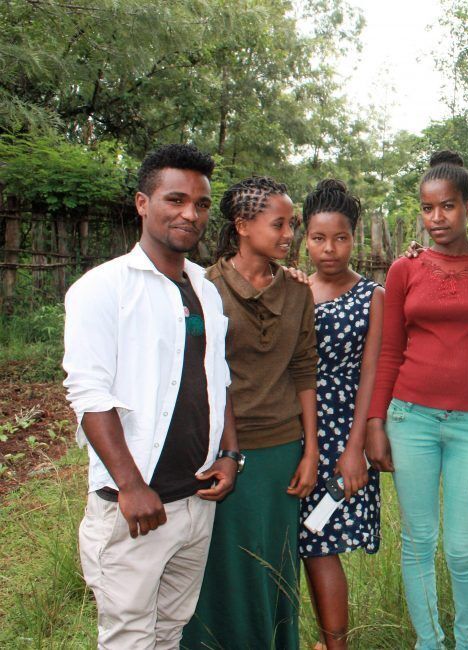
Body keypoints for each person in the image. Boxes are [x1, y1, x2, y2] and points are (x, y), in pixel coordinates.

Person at [64, 143, 238, 649]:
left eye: (201, 204)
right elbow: (89, 395)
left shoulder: (204, 287)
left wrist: (229, 453)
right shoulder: (102, 289)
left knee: (170, 632)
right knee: (129, 638)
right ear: (143, 203)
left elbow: (218, 377)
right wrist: (131, 485)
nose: (190, 214)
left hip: (195, 501)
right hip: (136, 506)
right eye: (175, 199)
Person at [366, 150, 468, 650]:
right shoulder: (404, 270)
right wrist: (375, 423)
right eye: (428, 209)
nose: (436, 219)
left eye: (447, 207)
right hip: (411, 420)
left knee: (461, 548)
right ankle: (428, 642)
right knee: (416, 542)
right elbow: (390, 351)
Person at [182, 176, 319, 650]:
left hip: (282, 452)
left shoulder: (299, 292)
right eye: (278, 224)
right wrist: (221, 446)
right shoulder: (203, 288)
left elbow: (304, 371)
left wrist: (311, 452)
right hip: (222, 454)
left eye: (292, 226)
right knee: (220, 567)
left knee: (274, 565)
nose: (289, 235)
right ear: (242, 225)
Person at [298, 179, 385, 649]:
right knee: (302, 545)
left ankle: (336, 645)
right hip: (292, 428)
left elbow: (370, 374)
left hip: (340, 433)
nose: (329, 249)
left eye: (340, 237)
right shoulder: (292, 289)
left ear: (355, 239)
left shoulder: (372, 295)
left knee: (321, 544)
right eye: (318, 238)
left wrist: (355, 450)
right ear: (304, 239)